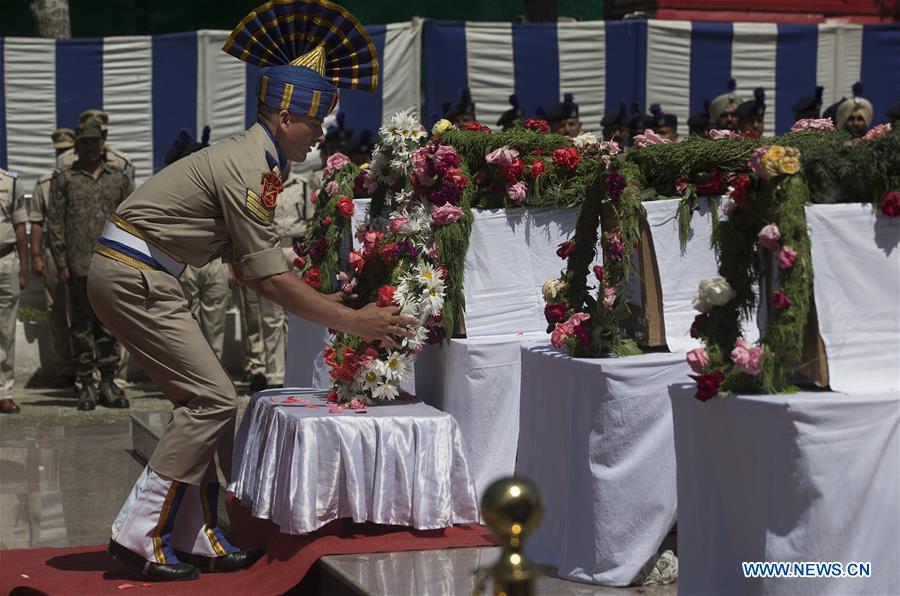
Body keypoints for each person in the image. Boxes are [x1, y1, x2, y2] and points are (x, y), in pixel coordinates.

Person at [92, 0, 417, 581]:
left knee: (210, 403)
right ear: (287, 114)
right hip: (134, 274)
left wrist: (331, 302)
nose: (319, 136)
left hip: (143, 274)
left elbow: (251, 267)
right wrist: (354, 320)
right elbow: (263, 277)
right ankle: (140, 531)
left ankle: (193, 531)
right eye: (316, 123)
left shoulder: (259, 161)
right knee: (213, 399)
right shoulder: (250, 164)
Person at [48, 120, 133, 411]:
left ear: (102, 143)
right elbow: (55, 223)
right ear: (76, 145)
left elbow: (131, 221)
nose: (90, 147)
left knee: (111, 325)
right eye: (84, 142)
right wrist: (61, 262)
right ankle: (85, 383)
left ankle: (109, 382)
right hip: (79, 265)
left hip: (112, 264)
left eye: (94, 142)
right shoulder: (65, 179)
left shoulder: (119, 178)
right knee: (82, 327)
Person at [29, 128, 77, 389]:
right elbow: (36, 221)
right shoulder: (45, 183)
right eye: (59, 151)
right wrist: (36, 256)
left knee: (84, 314)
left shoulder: (82, 179)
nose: (62, 155)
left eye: (67, 150)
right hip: (52, 252)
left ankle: (87, 368)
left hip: (79, 253)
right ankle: (64, 368)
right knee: (56, 312)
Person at [0, 167, 28, 415]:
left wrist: (24, 267)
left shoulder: (10, 181)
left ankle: (4, 392)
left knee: (6, 330)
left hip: (6, 260)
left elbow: (20, 225)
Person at [58, 109, 135, 186]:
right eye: (90, 134)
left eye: (102, 132)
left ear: (106, 134)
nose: (99, 135)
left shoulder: (121, 161)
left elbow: (130, 194)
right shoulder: (65, 159)